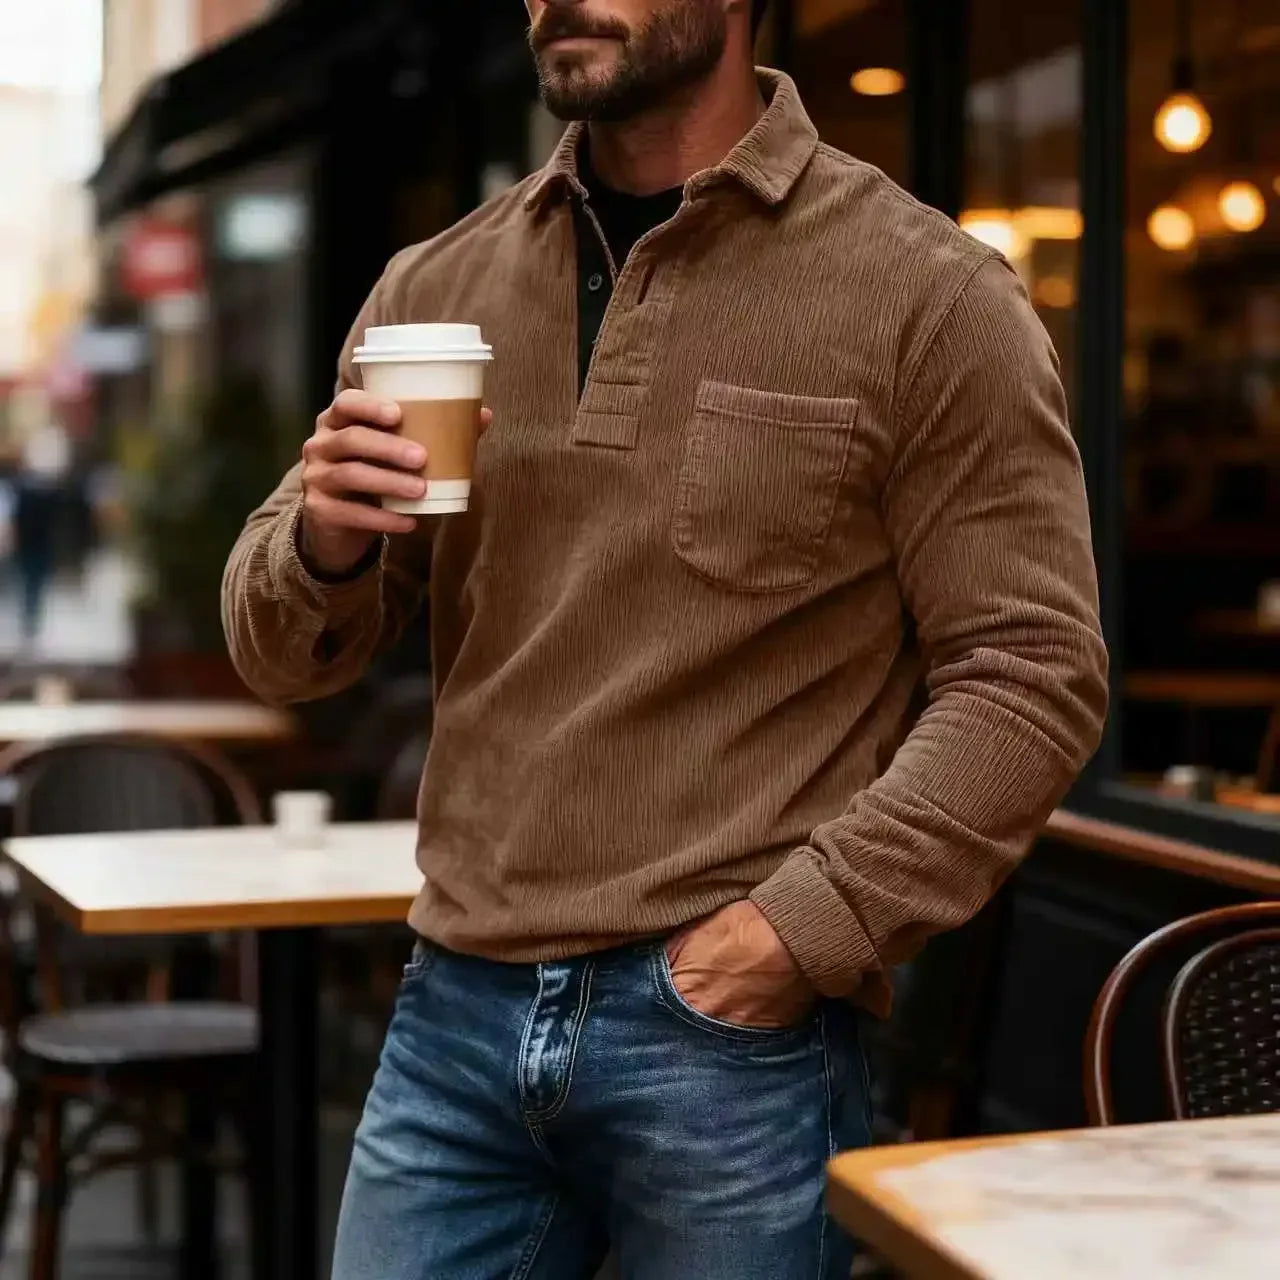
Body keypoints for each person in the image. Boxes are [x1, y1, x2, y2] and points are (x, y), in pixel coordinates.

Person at [222, 1, 1108, 1275]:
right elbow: (278, 651)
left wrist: (789, 937)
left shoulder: (926, 293)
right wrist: (325, 539)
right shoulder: (435, 285)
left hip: (724, 1043)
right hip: (453, 1011)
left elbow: (1029, 675)